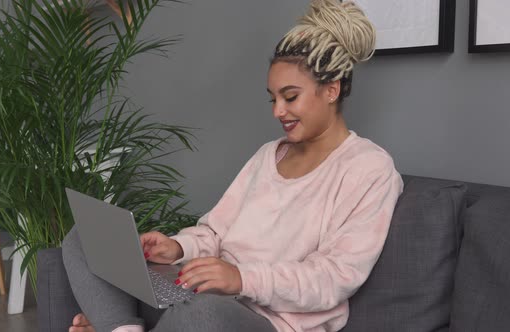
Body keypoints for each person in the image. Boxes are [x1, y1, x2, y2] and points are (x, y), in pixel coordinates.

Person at [62, 0, 403, 331]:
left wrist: (241, 279)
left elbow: (333, 278)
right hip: (199, 294)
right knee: (84, 236)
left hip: (260, 318)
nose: (277, 111)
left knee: (202, 314)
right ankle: (122, 328)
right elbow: (215, 231)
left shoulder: (369, 169)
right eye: (273, 99)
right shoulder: (270, 155)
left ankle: (113, 324)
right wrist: (178, 247)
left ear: (331, 90)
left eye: (290, 96)